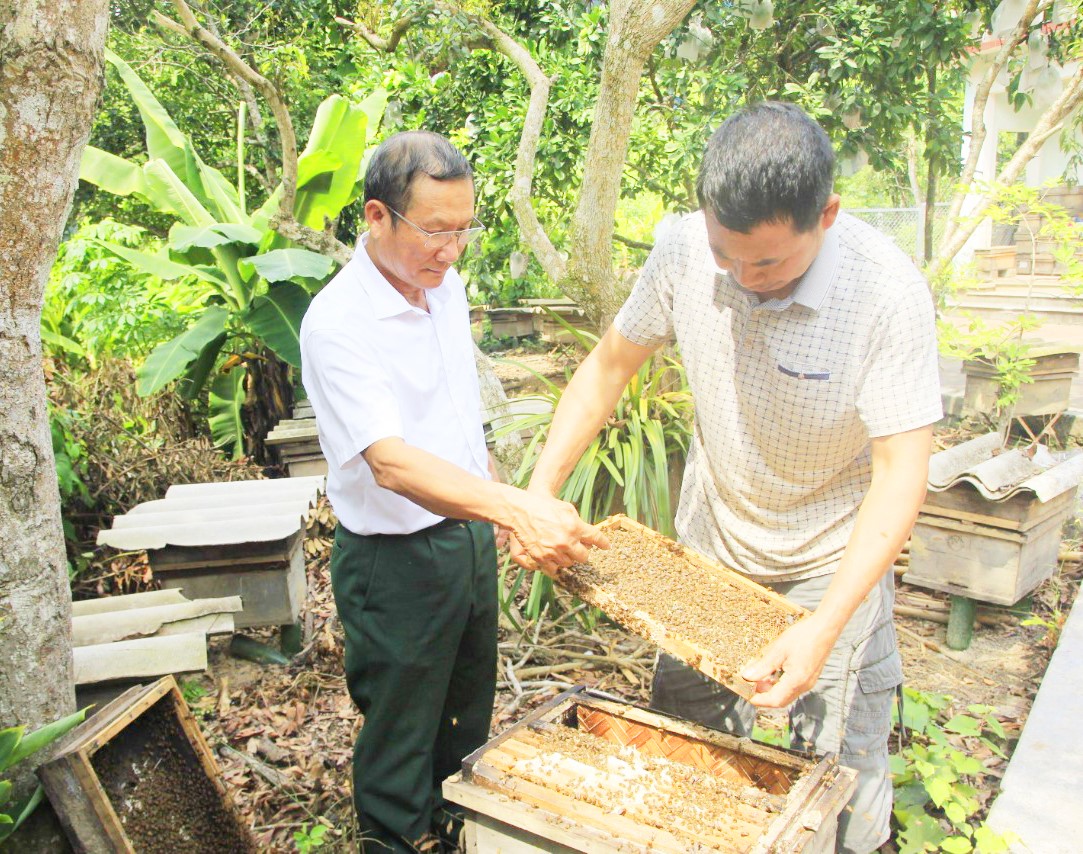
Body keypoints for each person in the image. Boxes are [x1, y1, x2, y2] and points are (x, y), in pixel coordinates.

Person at [520, 102, 942, 853]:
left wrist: (822, 626)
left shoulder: (886, 295)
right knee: (685, 741)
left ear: (828, 216)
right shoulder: (683, 249)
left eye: (770, 262)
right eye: (727, 255)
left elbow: (900, 474)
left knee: (828, 764)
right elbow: (608, 368)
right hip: (707, 546)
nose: (744, 279)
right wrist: (537, 493)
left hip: (828, 559)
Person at [300, 130, 606, 852]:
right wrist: (515, 507)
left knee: (464, 706)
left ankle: (449, 825)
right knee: (402, 726)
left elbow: (449, 409)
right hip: (392, 559)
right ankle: (393, 838)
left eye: (463, 230)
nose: (450, 250)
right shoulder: (337, 323)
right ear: (376, 217)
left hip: (464, 532)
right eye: (434, 231)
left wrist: (491, 495)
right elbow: (392, 464)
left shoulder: (447, 285)